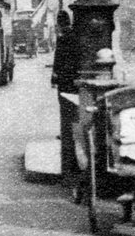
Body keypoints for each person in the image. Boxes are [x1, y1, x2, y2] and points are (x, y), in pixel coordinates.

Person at [50, 11, 81, 176]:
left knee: (66, 112)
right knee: (75, 112)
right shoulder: (76, 35)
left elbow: (58, 58)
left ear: (59, 23)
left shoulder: (63, 37)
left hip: (65, 81)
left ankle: (68, 143)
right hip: (75, 79)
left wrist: (54, 77)